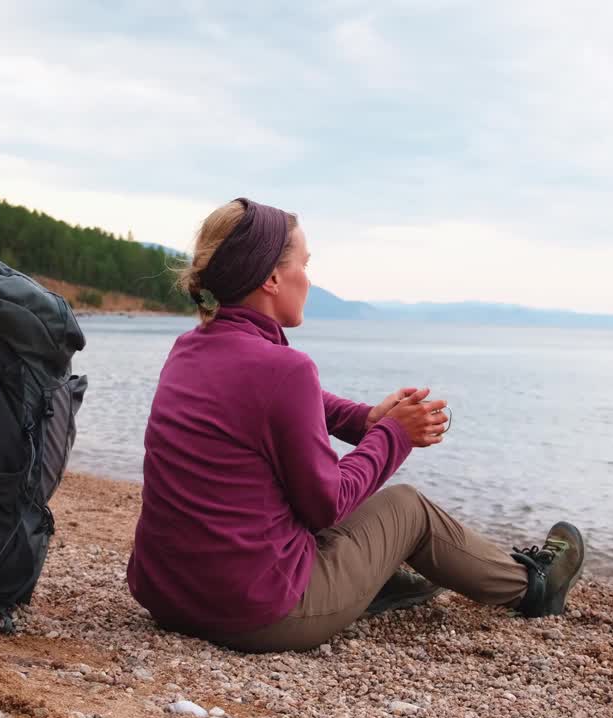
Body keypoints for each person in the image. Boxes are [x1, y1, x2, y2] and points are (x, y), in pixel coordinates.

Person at [125, 198, 585, 653]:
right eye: (304, 264)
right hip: (256, 615)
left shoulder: (190, 349)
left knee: (284, 496)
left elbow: (288, 406)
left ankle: (373, 582)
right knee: (409, 508)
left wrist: (366, 420)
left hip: (167, 596)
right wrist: (395, 435)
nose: (308, 278)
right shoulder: (285, 369)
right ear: (270, 277)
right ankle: (534, 588)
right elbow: (328, 506)